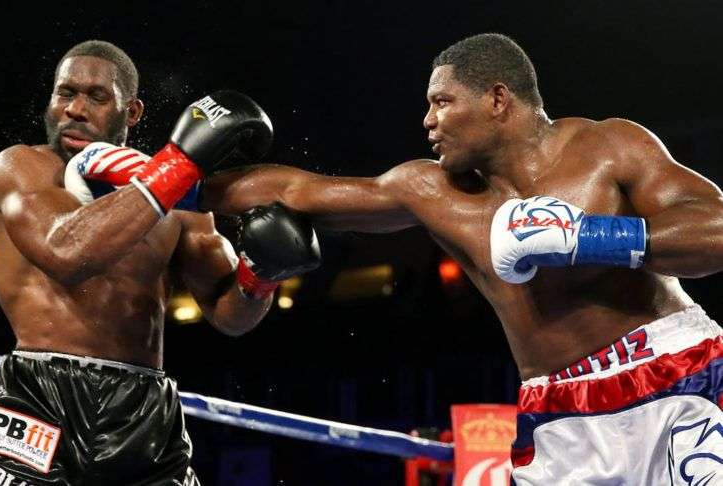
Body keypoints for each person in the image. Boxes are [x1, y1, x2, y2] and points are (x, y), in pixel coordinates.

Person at [200, 33, 723, 484]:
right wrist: (168, 179)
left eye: (442, 102)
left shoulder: (609, 147)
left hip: (679, 378)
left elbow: (716, 231)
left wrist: (588, 237)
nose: (428, 120)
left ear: (498, 99)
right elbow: (296, 190)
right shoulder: (431, 192)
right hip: (562, 417)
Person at [0, 40, 320, 485]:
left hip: (144, 413)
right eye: (65, 94)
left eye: (97, 97)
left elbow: (228, 315)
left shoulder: (180, 201)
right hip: (37, 399)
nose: (75, 109)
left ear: (132, 112)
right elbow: (67, 253)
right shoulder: (19, 168)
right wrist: (177, 167)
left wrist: (260, 276)